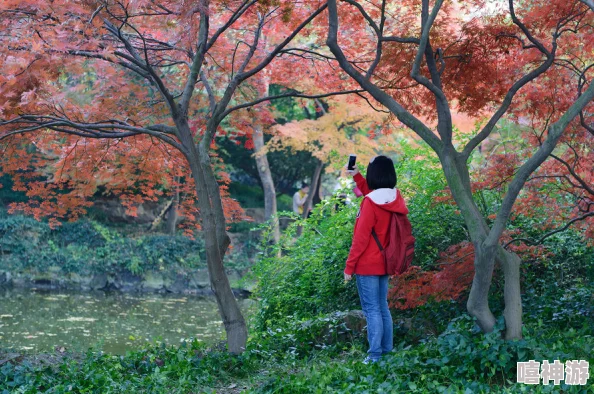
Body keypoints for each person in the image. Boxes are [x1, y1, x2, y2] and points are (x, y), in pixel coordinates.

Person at [344, 155, 409, 364]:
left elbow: (360, 239)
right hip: (386, 262)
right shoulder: (395, 198)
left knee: (372, 310)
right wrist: (356, 176)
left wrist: (349, 267)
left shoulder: (369, 203)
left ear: (375, 174)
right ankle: (387, 352)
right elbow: (373, 194)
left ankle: (374, 355)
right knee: (382, 307)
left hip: (367, 264)